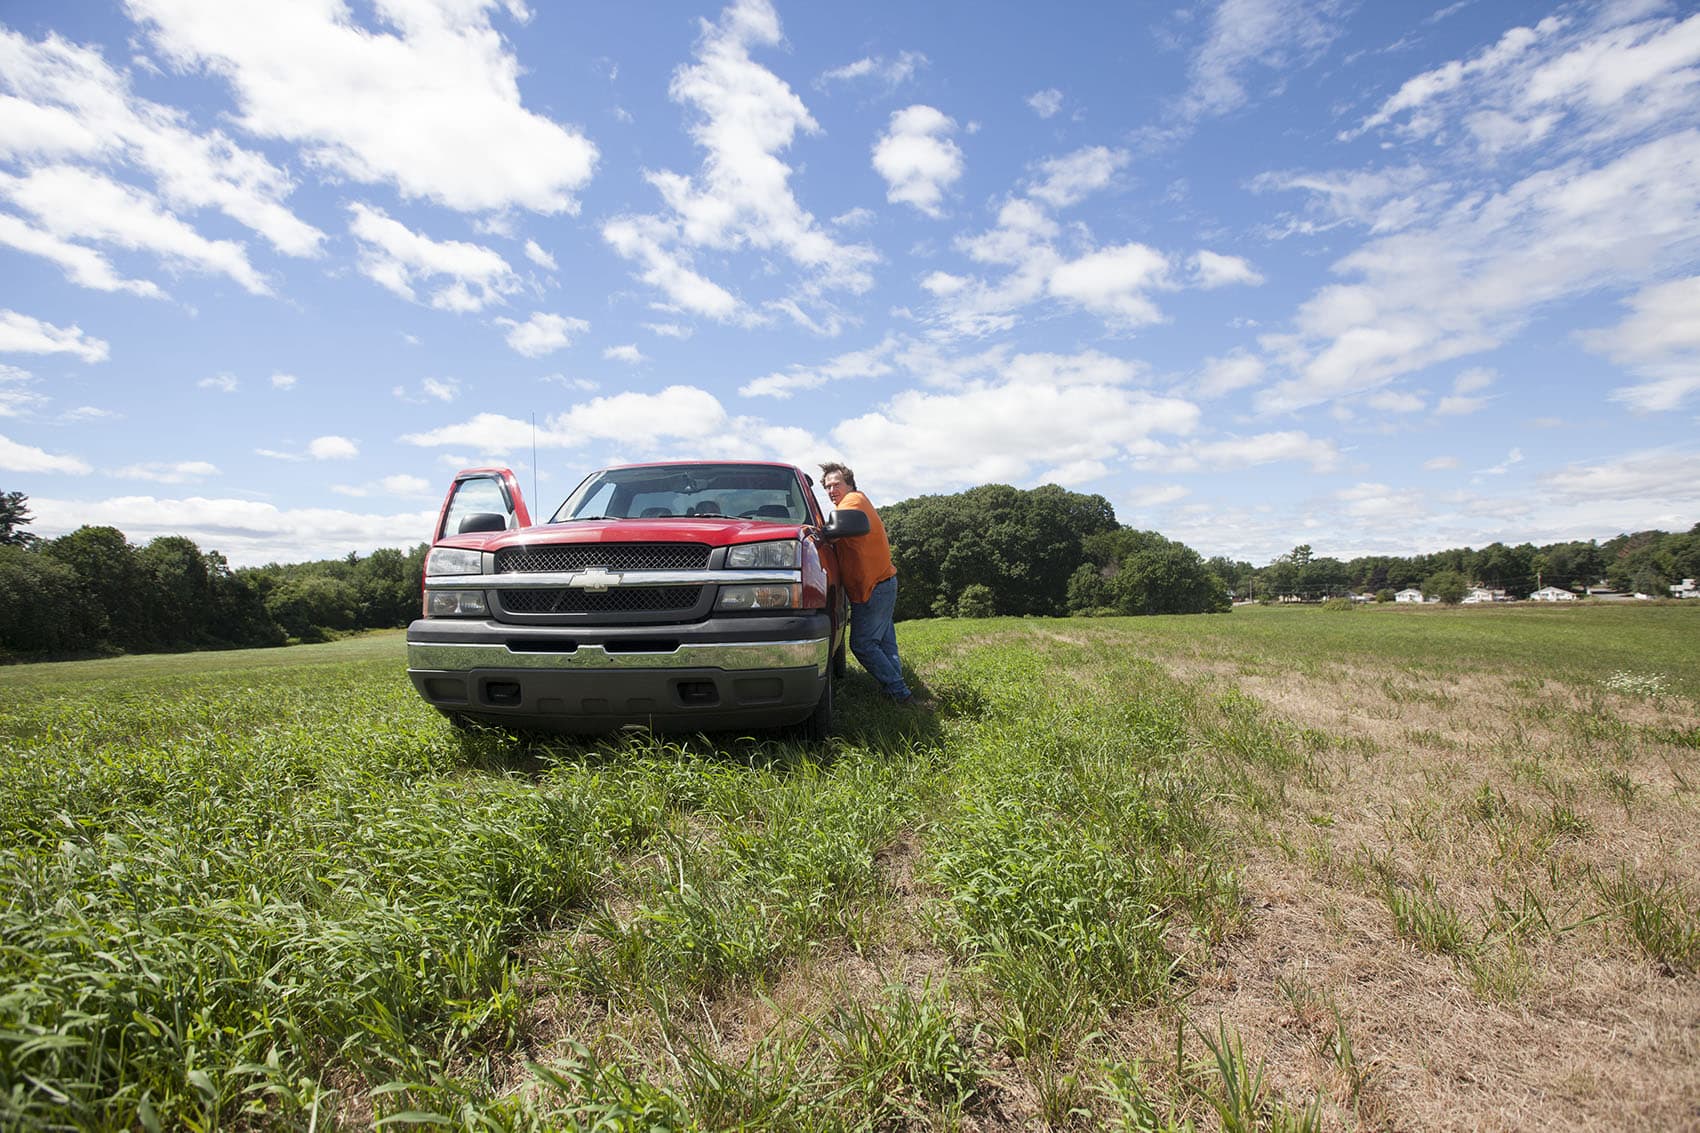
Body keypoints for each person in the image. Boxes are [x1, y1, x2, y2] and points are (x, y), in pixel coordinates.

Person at [819, 462, 913, 703]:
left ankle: (899, 693)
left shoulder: (852, 501)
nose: (831, 490)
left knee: (862, 645)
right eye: (827, 486)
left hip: (874, 587)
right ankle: (897, 692)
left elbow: (834, 531)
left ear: (849, 484)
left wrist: (818, 534)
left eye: (836, 484)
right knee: (883, 642)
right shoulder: (850, 503)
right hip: (880, 583)